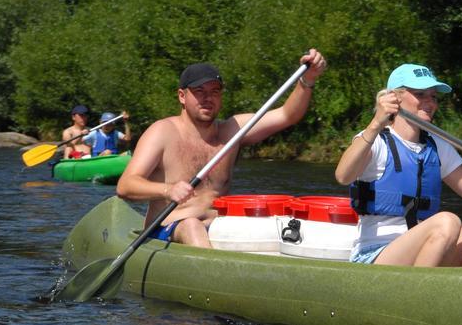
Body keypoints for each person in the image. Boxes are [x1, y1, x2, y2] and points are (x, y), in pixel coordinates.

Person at [116, 51, 328, 247]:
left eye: (214, 91)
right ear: (182, 96)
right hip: (167, 232)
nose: (208, 98)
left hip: (217, 229)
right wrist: (167, 190)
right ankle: (212, 280)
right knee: (192, 225)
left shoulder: (231, 131)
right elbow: (125, 186)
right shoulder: (162, 131)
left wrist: (307, 79)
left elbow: (287, 115)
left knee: (270, 226)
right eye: (199, 91)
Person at [334, 63, 462, 267]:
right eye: (420, 94)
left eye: (433, 96)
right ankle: (419, 293)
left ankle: (457, 293)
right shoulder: (375, 140)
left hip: (429, 250)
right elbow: (343, 176)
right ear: (395, 98)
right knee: (447, 222)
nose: (429, 102)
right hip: (375, 255)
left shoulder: (437, 146)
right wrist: (375, 124)